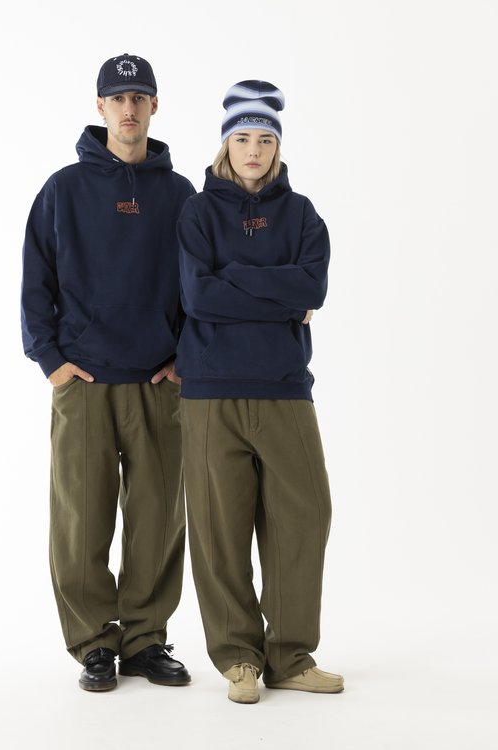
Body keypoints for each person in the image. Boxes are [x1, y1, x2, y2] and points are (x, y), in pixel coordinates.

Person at [21, 54, 194, 691]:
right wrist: (50, 360)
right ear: (100, 107)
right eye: (117, 98)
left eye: (139, 97)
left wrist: (184, 357)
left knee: (157, 517)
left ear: (154, 106)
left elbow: (199, 283)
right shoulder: (64, 188)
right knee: (81, 521)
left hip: (157, 381)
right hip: (84, 382)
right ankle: (94, 641)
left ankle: (145, 639)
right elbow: (35, 278)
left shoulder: (180, 194)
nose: (128, 108)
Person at [176, 80, 343, 704]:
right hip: (210, 390)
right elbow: (198, 296)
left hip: (284, 387)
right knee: (219, 528)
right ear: (226, 144)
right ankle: (238, 658)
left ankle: (291, 656)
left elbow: (312, 289)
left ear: (278, 146)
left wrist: (235, 278)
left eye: (265, 139)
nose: (254, 150)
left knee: (305, 515)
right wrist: (278, 292)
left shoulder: (302, 214)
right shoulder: (197, 212)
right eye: (243, 138)